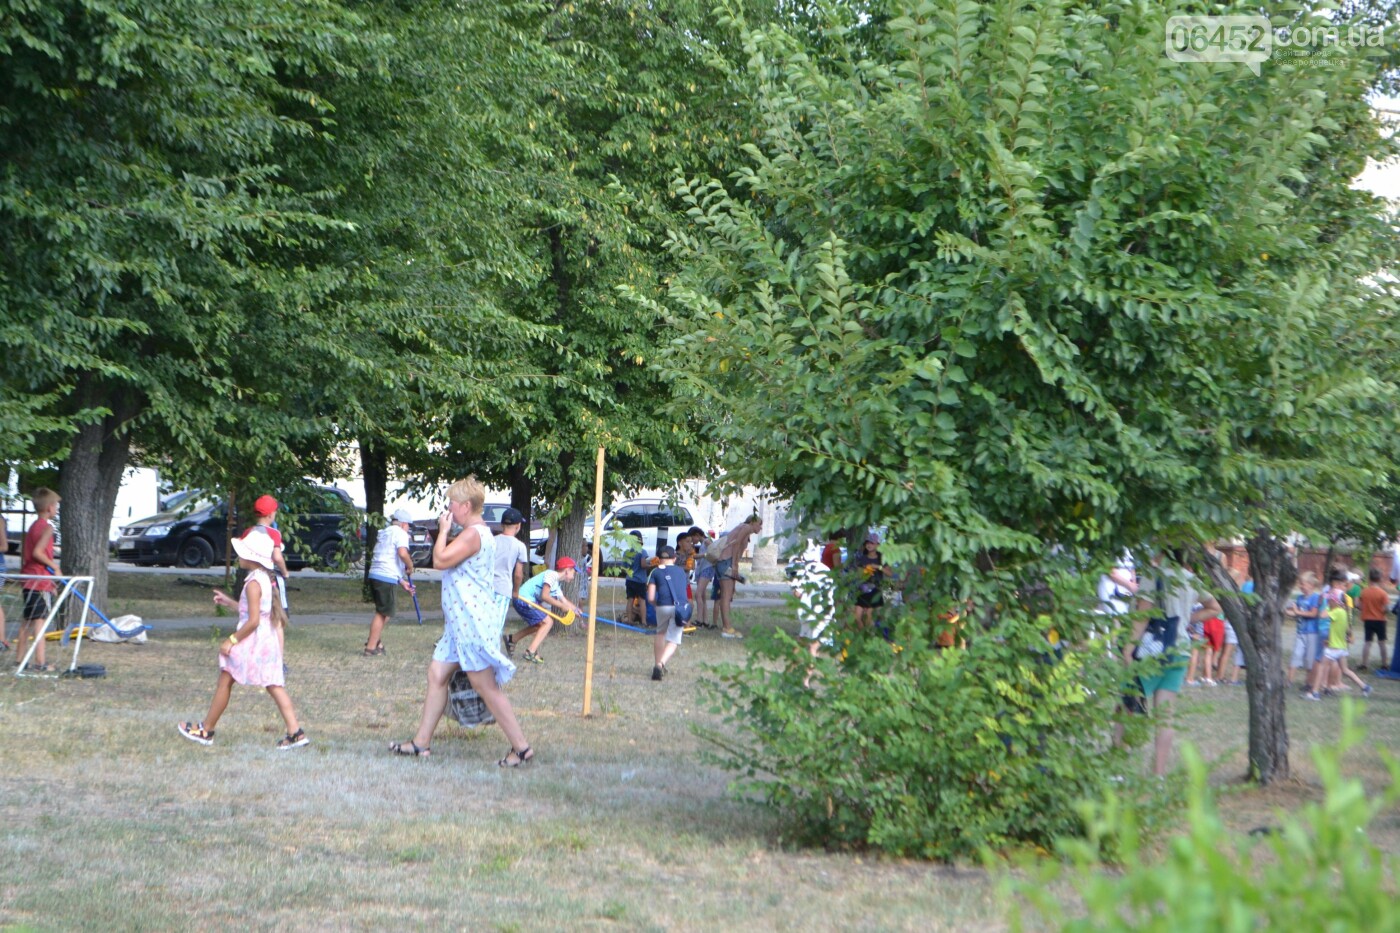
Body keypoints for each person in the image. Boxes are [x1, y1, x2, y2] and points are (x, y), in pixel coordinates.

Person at [390, 476, 532, 765]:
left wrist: (442, 530)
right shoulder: (476, 533)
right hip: (459, 624)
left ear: (466, 506)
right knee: (437, 675)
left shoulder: (474, 534)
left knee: (486, 686)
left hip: (472, 622)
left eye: (452, 504)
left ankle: (521, 749)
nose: (449, 509)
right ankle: (421, 744)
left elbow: (440, 560)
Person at [177, 532, 308, 749]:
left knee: (227, 677)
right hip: (266, 640)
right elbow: (252, 612)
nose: (239, 556)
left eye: (242, 553)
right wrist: (229, 602)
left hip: (254, 640)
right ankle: (296, 733)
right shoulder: (262, 579)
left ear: (253, 557)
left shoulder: (253, 584)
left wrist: (231, 640)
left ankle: (206, 730)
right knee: (274, 684)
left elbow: (253, 621)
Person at [1125, 551, 1221, 776]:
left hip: (1151, 651)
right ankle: (1158, 774)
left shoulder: (1153, 576)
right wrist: (1186, 619)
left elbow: (1142, 617)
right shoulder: (1189, 578)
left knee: (1128, 706)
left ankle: (1120, 767)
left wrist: (1128, 649)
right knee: (1165, 716)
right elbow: (1215, 607)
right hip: (1179, 651)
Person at [16, 488, 60, 673]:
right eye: (56, 505)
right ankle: (40, 663)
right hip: (38, 580)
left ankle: (19, 660)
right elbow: (37, 553)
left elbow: (30, 554)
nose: (57, 508)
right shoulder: (47, 527)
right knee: (39, 621)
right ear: (50, 507)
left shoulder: (33, 527)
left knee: (27, 621)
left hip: (29, 579)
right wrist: (55, 568)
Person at [508, 558, 583, 664]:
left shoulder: (556, 584)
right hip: (523, 599)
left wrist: (575, 610)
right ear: (567, 570)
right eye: (573, 572)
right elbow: (545, 596)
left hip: (529, 601)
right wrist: (561, 606)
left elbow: (564, 601)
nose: (574, 576)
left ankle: (512, 639)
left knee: (539, 625)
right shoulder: (551, 575)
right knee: (548, 622)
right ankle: (530, 652)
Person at [363, 508, 415, 657]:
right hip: (385, 576)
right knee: (383, 613)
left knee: (385, 611)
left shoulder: (385, 533)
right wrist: (410, 566)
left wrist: (402, 581)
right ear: (404, 524)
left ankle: (376, 641)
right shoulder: (401, 534)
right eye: (409, 526)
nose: (409, 529)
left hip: (375, 574)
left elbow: (387, 559)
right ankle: (371, 647)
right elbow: (402, 553)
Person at [1305, 592, 1371, 700]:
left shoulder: (1336, 611)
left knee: (1321, 667)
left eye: (1330, 601)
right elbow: (1345, 629)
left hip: (1333, 648)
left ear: (1335, 601)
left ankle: (1315, 693)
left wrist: (1325, 606)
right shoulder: (1344, 612)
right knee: (1345, 670)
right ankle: (1364, 687)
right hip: (1341, 647)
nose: (1328, 603)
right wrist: (1347, 637)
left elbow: (1322, 615)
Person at [789, 558, 837, 686]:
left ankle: (797, 676)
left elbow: (797, 593)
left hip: (808, 613)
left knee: (805, 645)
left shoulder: (802, 571)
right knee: (813, 647)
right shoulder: (827, 570)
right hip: (825, 613)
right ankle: (803, 679)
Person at [647, 545, 692, 680]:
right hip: (679, 608)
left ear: (658, 558)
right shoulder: (681, 572)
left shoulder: (655, 572)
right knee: (673, 640)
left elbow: (650, 597)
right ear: (674, 558)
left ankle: (657, 663)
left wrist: (656, 605)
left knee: (660, 633)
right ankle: (661, 665)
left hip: (662, 606)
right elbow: (684, 592)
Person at [714, 515, 763, 639]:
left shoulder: (744, 529)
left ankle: (728, 626)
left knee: (727, 595)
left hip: (725, 562)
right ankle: (726, 628)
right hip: (727, 561)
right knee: (725, 596)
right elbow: (736, 545)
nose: (760, 527)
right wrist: (734, 565)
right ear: (752, 522)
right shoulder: (746, 527)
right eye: (759, 524)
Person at [492, 507, 529, 654]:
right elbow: (518, 574)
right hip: (503, 590)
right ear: (518, 526)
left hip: (486, 587)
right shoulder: (520, 546)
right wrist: (516, 592)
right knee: (496, 626)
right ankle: (491, 657)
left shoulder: (492, 541)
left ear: (502, 525)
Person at [1285, 572, 1324, 688]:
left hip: (1312, 633)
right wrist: (1287, 612)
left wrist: (1297, 612)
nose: (1301, 586)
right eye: (1300, 584)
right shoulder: (1300, 598)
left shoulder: (1315, 598)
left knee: (1310, 659)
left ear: (1311, 585)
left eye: (1303, 584)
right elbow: (1295, 613)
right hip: (1300, 632)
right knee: (1296, 655)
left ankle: (1309, 682)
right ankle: (1289, 681)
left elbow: (1313, 613)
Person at [850, 533, 890, 630]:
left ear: (877, 545)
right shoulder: (861, 559)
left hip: (875, 590)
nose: (869, 545)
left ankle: (869, 635)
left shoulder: (882, 559)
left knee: (869, 615)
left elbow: (889, 573)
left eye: (872, 543)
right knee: (857, 616)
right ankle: (862, 635)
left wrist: (878, 567)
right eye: (867, 542)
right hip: (862, 589)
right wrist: (864, 571)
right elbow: (855, 574)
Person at [1358, 567, 1391, 672]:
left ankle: (1364, 664)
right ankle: (1384, 664)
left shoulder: (1364, 592)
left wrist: (1365, 609)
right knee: (1382, 643)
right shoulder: (1383, 593)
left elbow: (1358, 605)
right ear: (1380, 579)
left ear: (1369, 578)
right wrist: (1382, 612)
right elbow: (1387, 608)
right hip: (1380, 620)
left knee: (1367, 642)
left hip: (1368, 620)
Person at [623, 531, 656, 627]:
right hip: (640, 580)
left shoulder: (626, 552)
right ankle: (644, 621)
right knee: (642, 601)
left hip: (629, 579)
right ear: (640, 539)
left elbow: (624, 567)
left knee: (630, 600)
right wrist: (651, 564)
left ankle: (629, 619)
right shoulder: (642, 551)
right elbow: (643, 564)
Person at [692, 529, 716, 629]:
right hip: (703, 569)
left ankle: (699, 620)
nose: (692, 540)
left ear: (697, 535)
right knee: (702, 596)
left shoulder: (706, 541)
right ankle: (705, 621)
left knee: (698, 594)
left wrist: (704, 555)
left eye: (692, 537)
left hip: (707, 568)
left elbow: (714, 550)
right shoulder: (702, 543)